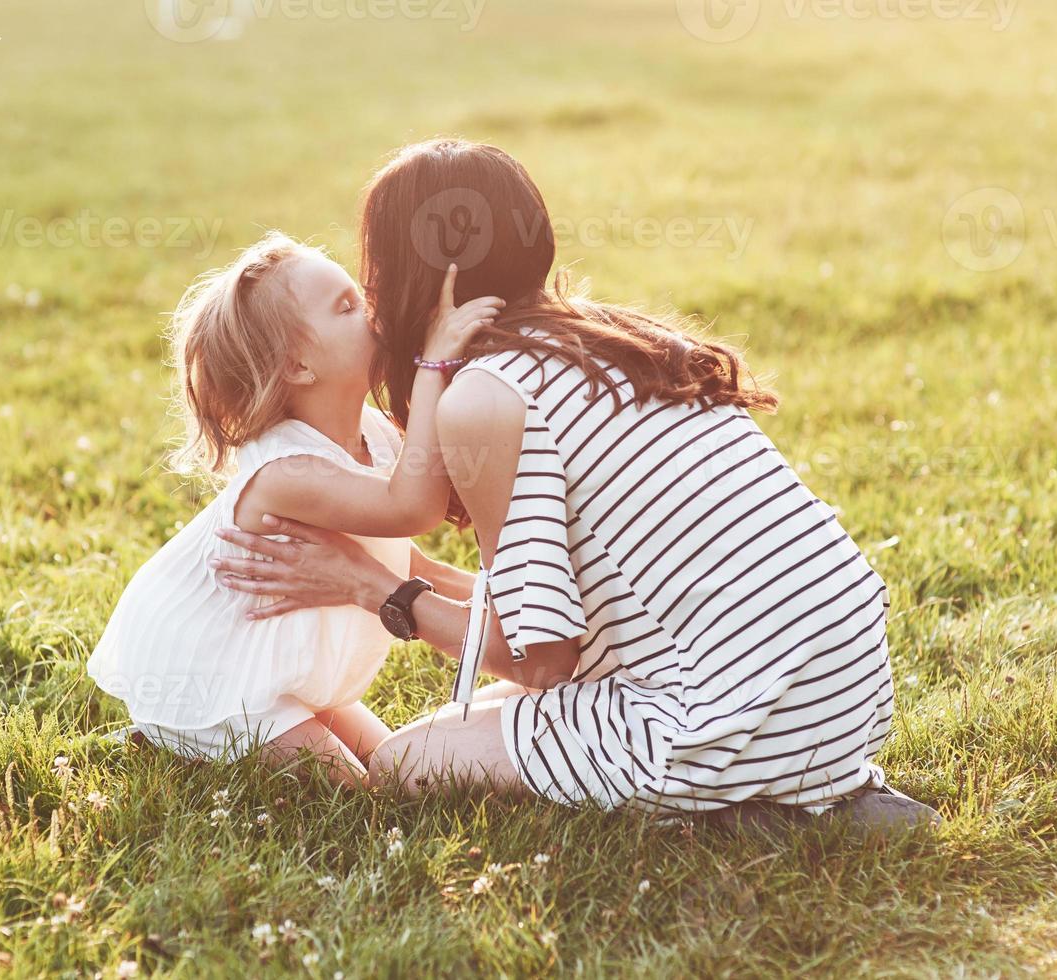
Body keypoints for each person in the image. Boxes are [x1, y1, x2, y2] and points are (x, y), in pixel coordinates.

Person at [212, 140, 939, 831]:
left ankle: (744, 810)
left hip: (734, 717)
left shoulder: (484, 398)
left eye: (375, 264)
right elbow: (570, 621)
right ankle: (806, 788)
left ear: (421, 275)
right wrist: (403, 572)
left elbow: (544, 660)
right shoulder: (610, 335)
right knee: (471, 721)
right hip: (840, 686)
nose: (371, 296)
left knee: (409, 762)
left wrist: (374, 590)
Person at [87, 229, 502, 784]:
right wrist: (434, 366)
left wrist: (513, 604)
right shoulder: (287, 472)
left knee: (398, 769)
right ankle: (181, 733)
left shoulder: (373, 434)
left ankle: (181, 736)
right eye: (347, 307)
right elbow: (414, 509)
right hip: (212, 674)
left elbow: (410, 566)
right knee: (361, 796)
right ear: (299, 367)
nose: (371, 311)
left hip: (277, 670)